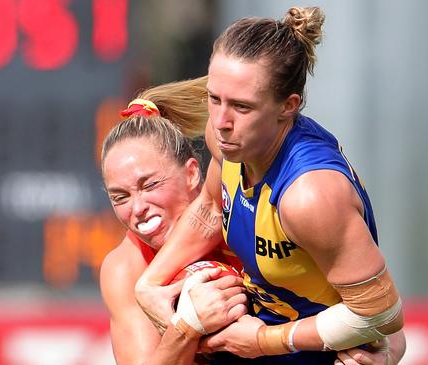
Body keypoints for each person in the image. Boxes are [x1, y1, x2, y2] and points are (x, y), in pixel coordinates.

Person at [134, 6, 406, 365]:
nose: (220, 121)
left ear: (288, 107)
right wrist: (149, 285)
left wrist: (264, 340)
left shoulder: (309, 196)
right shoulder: (226, 142)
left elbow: (381, 316)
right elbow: (211, 208)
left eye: (242, 107)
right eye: (214, 99)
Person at [99, 77, 248, 365]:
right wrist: (188, 326)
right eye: (120, 197)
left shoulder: (244, 212)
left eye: (149, 185)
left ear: (192, 174)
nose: (138, 208)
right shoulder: (125, 268)